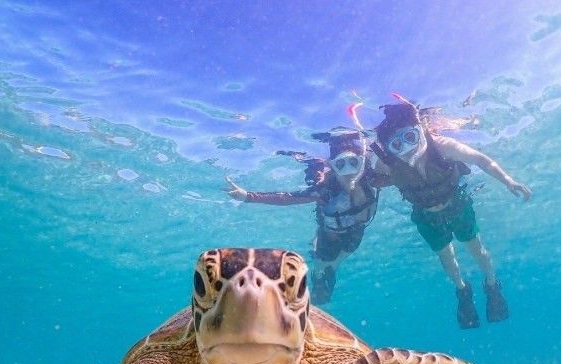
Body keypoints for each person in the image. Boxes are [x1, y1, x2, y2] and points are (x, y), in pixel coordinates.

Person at [369, 98, 532, 329]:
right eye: (396, 146)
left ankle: (492, 285)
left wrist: (508, 181)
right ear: (389, 149)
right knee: (447, 260)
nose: (407, 149)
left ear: (420, 131)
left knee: (479, 252)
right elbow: (367, 178)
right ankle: (462, 290)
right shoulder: (387, 165)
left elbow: (480, 160)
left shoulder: (442, 146)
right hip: (426, 216)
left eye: (410, 138)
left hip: (457, 205)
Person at [226, 128, 386, 304]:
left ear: (362, 163)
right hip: (329, 238)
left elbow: (401, 176)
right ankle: (319, 274)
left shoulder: (372, 181)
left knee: (341, 257)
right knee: (323, 262)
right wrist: (247, 196)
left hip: (356, 232)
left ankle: (331, 268)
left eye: (353, 163)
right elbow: (286, 199)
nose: (348, 171)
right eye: (341, 165)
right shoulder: (324, 192)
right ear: (333, 166)